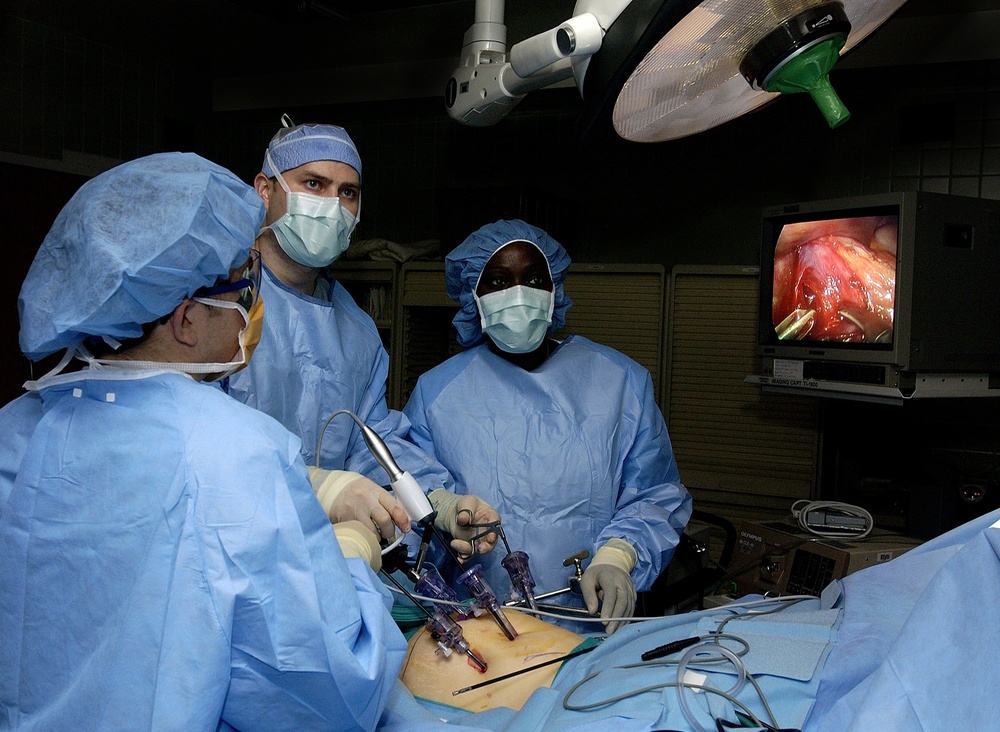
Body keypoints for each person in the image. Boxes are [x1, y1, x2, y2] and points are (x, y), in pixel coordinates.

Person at [0, 152, 405, 730]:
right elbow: (328, 689)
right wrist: (349, 561)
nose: (254, 308)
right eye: (246, 287)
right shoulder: (240, 454)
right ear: (187, 320)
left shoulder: (15, 431)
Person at [403, 219, 693, 634]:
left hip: (587, 626)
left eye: (535, 279)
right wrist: (445, 519)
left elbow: (655, 494)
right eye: (499, 281)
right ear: (474, 295)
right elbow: (414, 510)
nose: (519, 295)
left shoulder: (618, 382)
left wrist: (618, 555)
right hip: (480, 629)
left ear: (554, 289)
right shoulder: (437, 394)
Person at [227, 116, 498, 559]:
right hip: (226, 545)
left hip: (320, 555)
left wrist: (436, 502)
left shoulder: (355, 330)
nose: (332, 205)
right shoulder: (219, 303)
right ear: (265, 189)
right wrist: (318, 485)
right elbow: (194, 439)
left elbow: (372, 444)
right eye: (314, 184)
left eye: (347, 192)